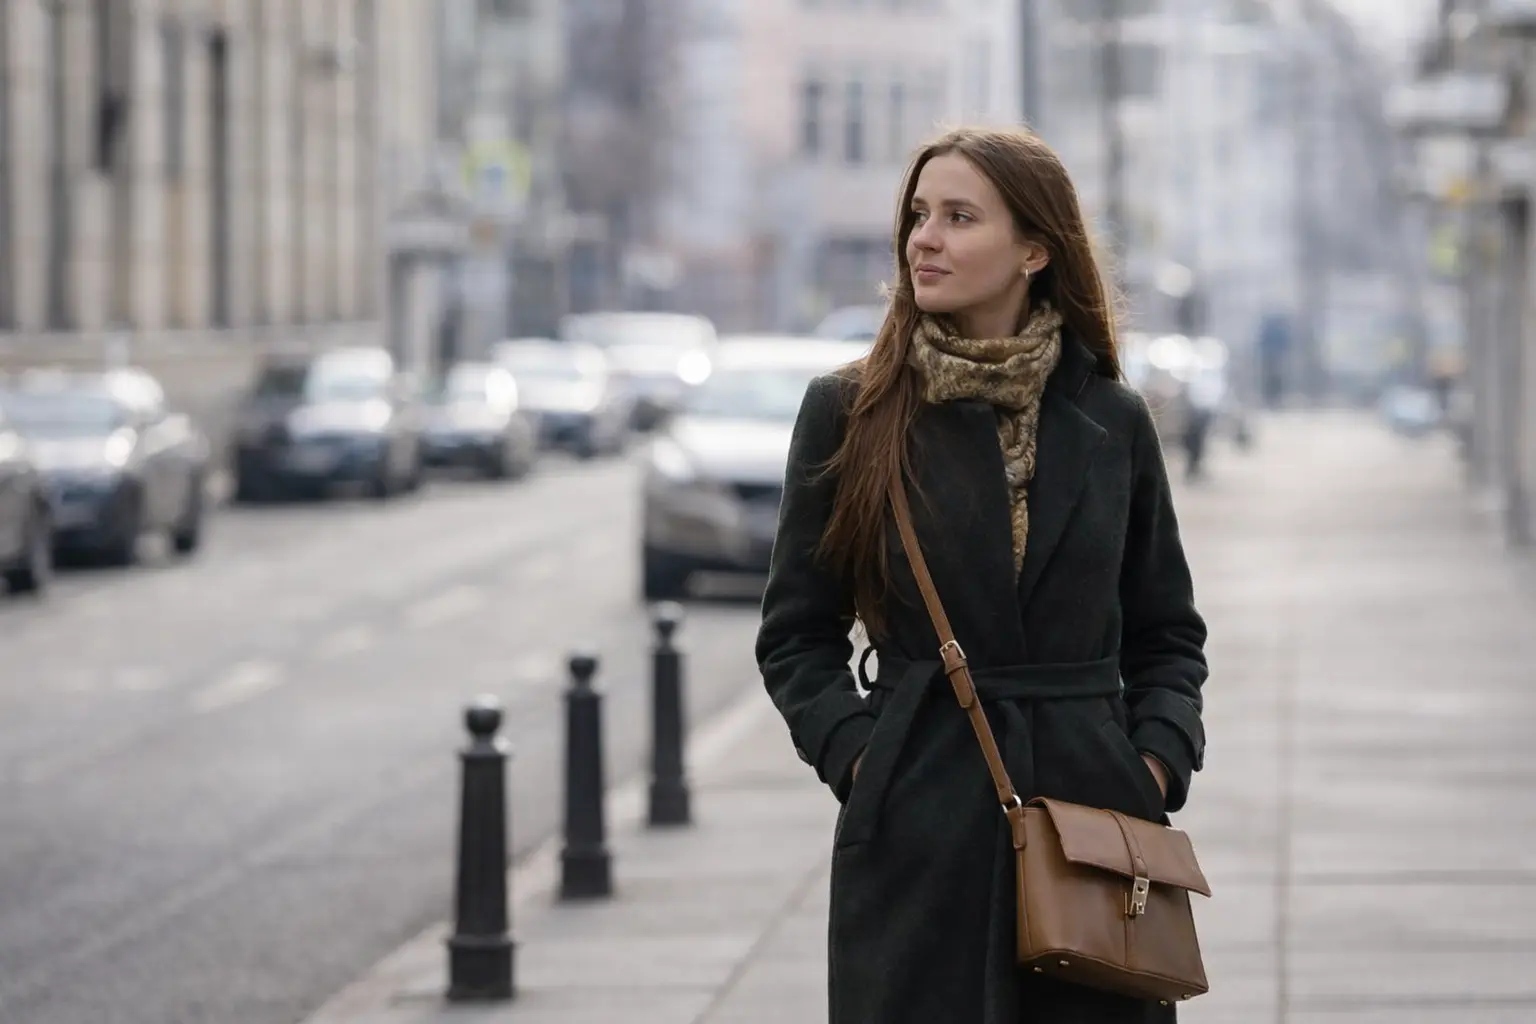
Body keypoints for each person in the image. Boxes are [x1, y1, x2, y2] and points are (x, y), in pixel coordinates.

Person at [755, 126, 1209, 1024]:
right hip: (919, 828)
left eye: (959, 217)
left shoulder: (1111, 419)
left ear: (1035, 249)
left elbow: (1167, 630)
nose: (924, 238)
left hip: (1093, 829)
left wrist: (1153, 763)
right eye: (919, 215)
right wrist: (864, 760)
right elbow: (795, 635)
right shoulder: (851, 413)